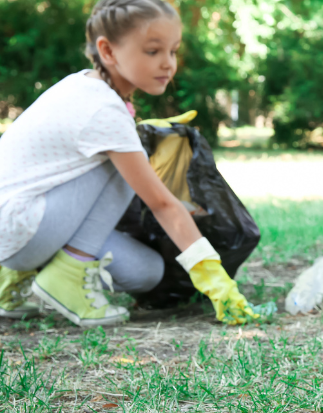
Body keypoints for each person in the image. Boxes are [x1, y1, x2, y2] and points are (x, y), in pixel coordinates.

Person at [0, 0, 258, 327]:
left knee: (147, 273)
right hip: (20, 231)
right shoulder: (104, 111)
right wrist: (214, 279)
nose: (168, 64)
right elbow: (162, 204)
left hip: (22, 228)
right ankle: (64, 273)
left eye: (173, 51)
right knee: (129, 154)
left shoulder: (82, 85)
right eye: (153, 51)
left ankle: (12, 279)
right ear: (107, 51)